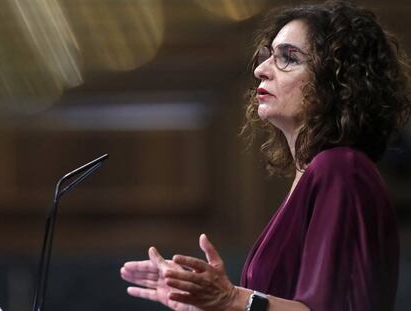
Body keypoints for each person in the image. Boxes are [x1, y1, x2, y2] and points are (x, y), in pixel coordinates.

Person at [120, 1, 411, 310]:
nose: (260, 70)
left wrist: (231, 298)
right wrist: (210, 305)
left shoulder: (339, 168)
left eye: (288, 57)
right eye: (268, 55)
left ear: (338, 80)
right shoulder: (318, 172)